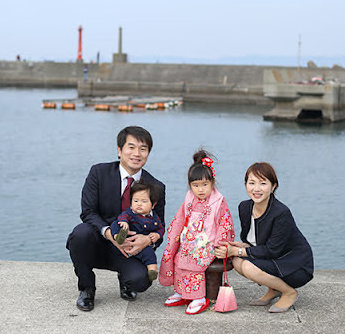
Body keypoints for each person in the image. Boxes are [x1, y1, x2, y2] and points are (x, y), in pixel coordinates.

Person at [66, 126, 166, 312]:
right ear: (119, 150)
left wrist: (147, 241)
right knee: (80, 234)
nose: (137, 154)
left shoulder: (156, 187)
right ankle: (87, 289)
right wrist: (108, 234)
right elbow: (88, 212)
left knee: (141, 281)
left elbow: (159, 226)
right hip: (99, 242)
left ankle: (126, 282)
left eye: (143, 149)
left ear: (148, 153)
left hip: (130, 249)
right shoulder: (98, 173)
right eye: (131, 147)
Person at [215, 162, 313, 313]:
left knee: (247, 265)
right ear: (245, 184)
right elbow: (254, 243)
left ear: (273, 186)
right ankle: (274, 289)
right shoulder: (244, 207)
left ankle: (289, 293)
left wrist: (236, 251)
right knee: (237, 261)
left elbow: (272, 250)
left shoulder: (281, 213)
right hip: (273, 258)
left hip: (295, 265)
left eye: (263, 183)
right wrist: (237, 247)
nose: (257, 189)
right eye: (252, 183)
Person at [159, 150, 235, 315]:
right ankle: (182, 292)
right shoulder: (189, 199)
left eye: (204, 185)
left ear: (212, 183)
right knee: (178, 258)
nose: (200, 189)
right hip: (191, 241)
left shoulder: (218, 201)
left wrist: (219, 244)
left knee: (193, 262)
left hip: (210, 243)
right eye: (196, 185)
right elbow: (180, 219)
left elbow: (225, 224)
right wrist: (174, 237)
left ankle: (199, 297)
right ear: (190, 185)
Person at [111, 181, 165, 282]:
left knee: (150, 254)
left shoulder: (154, 218)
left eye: (144, 201)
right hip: (127, 236)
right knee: (116, 224)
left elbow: (160, 228)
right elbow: (123, 216)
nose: (139, 204)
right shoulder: (130, 213)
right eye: (136, 201)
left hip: (141, 244)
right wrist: (124, 223)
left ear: (153, 205)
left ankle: (152, 270)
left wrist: (157, 235)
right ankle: (118, 237)